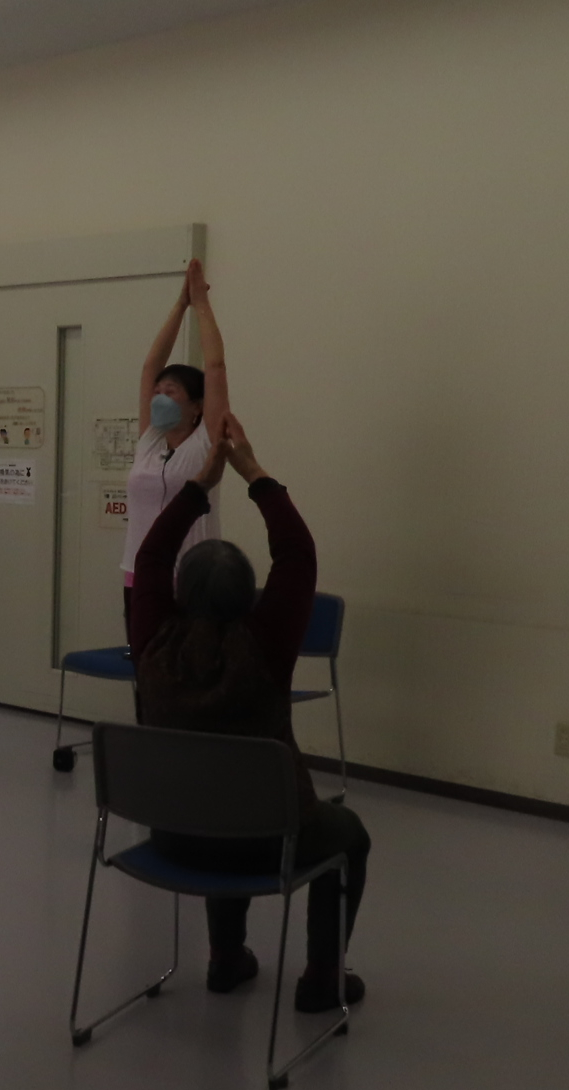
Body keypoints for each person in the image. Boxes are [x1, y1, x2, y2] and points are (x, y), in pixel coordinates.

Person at [127, 411, 371, 1009]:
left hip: (172, 833)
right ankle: (323, 978)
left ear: (178, 592)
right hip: (269, 837)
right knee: (348, 834)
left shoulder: (151, 640)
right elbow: (297, 554)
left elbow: (151, 558)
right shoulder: (265, 646)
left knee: (217, 794)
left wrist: (199, 485)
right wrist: (251, 471)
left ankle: (226, 957)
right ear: (249, 598)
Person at [122, 258, 229, 611]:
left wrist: (201, 304)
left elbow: (215, 367)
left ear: (196, 406)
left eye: (171, 392)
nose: (159, 398)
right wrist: (180, 304)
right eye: (157, 392)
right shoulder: (150, 441)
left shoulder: (205, 442)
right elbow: (149, 368)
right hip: (140, 576)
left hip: (193, 580)